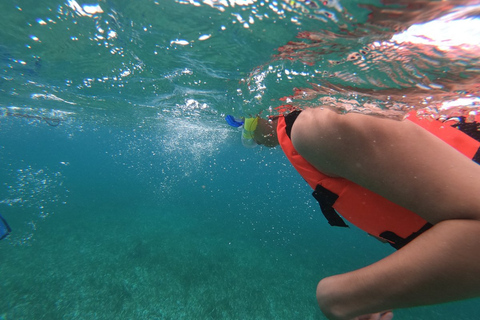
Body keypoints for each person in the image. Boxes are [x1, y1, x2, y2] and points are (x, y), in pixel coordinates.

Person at [229, 107, 480, 320]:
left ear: (261, 111)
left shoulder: (312, 129)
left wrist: (342, 298)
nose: (246, 132)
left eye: (241, 121)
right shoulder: (310, 136)